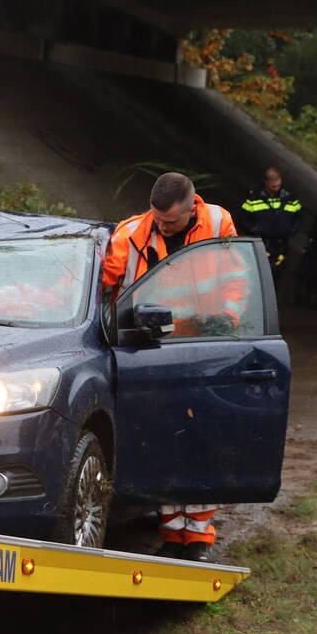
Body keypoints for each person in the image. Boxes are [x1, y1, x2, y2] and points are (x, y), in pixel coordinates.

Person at [102, 172, 237, 563]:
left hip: (203, 345)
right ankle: (171, 531)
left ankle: (199, 535)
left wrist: (229, 316)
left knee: (201, 440)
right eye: (158, 220)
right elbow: (106, 285)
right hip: (151, 350)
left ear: (191, 207)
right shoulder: (129, 235)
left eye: (171, 222)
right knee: (162, 440)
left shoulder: (216, 221)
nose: (162, 227)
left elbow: (234, 277)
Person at [237, 167, 303, 281]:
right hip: (260, 243)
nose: (277, 189)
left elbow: (299, 216)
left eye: (279, 185)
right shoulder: (254, 197)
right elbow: (243, 218)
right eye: (273, 186)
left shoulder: (289, 196)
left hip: (281, 245)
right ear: (266, 182)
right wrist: (254, 230)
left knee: (276, 277)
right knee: (256, 276)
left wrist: (292, 230)